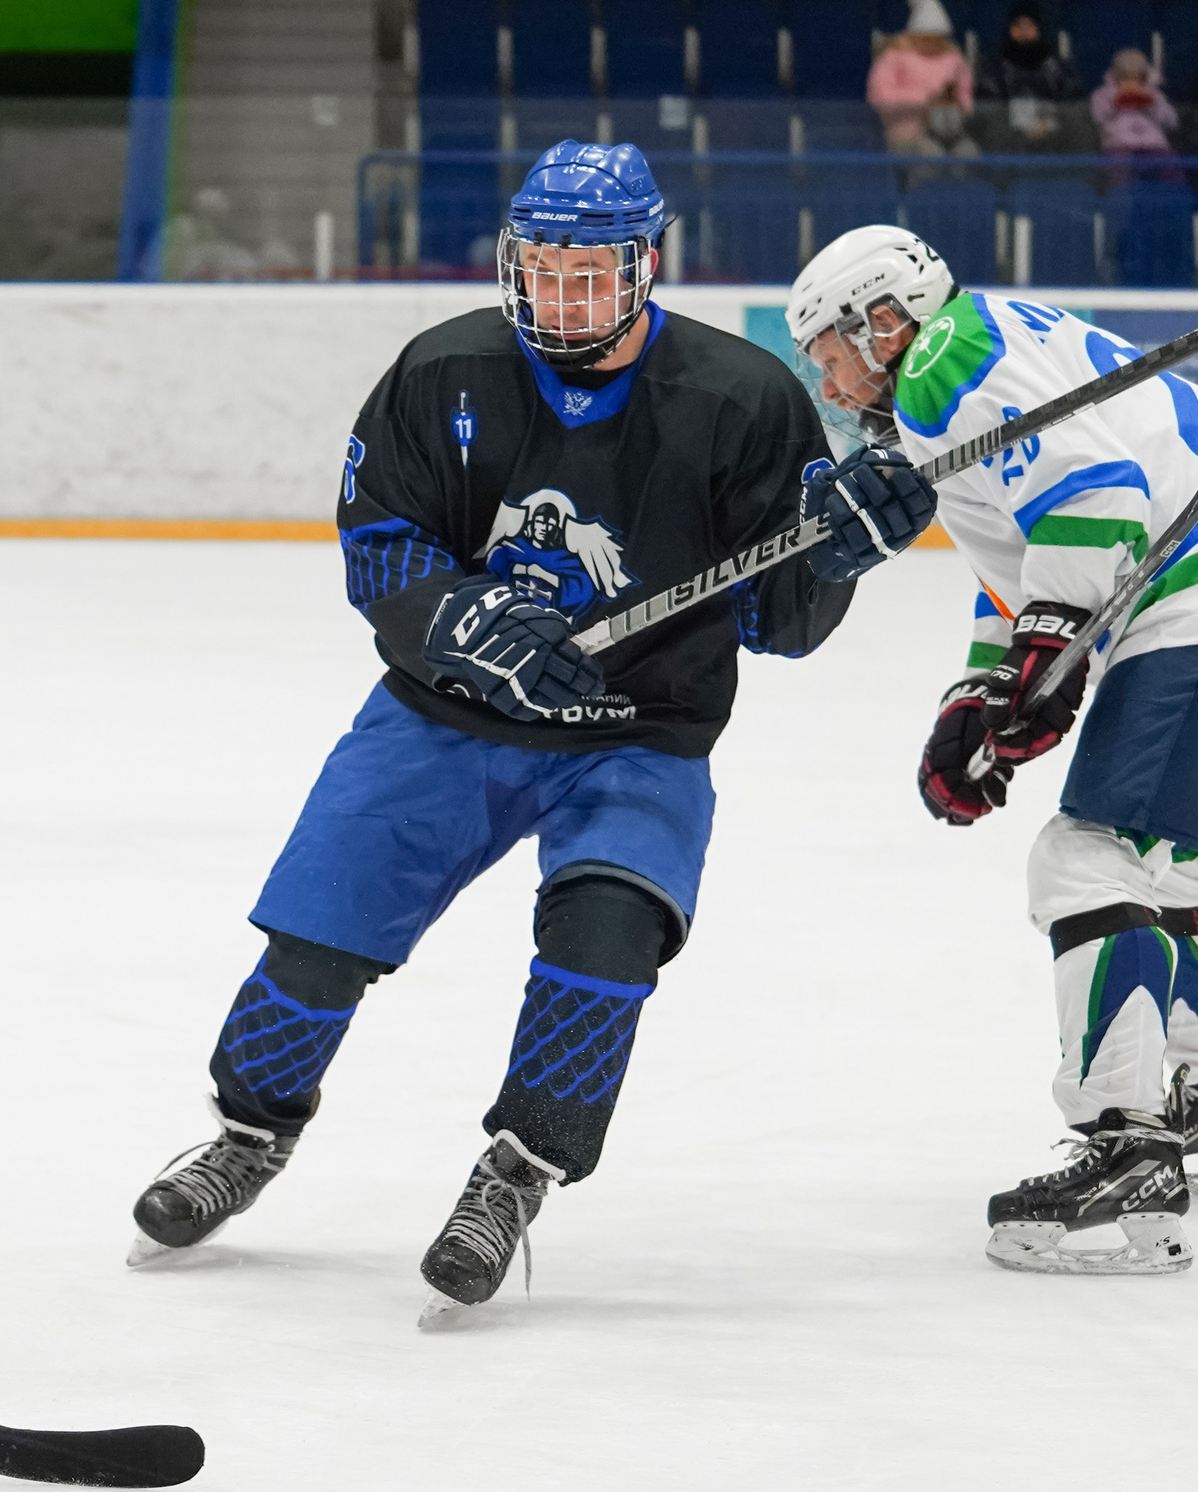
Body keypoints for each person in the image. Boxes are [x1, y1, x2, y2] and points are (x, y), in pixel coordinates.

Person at [123, 142, 938, 1325]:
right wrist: (466, 622)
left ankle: (515, 1174)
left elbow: (779, 621)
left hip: (639, 734)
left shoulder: (742, 399)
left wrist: (836, 557)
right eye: (542, 270)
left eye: (588, 273)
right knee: (315, 942)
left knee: (607, 942)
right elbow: (381, 544)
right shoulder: (443, 367)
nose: (560, 297)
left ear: (644, 266)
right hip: (444, 719)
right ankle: (247, 1138)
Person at [789, 225, 1198, 1275]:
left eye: (827, 351)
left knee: (1089, 859)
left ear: (880, 319)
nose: (825, 378)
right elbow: (1025, 542)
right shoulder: (982, 345)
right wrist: (980, 690)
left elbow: (1095, 498)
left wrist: (1051, 654)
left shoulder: (940, 369)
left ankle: (1126, 1148)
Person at [972, 3, 1093, 155]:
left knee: (1081, 128)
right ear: (1009, 29)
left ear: (1038, 29)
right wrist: (1022, 124)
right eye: (1017, 25)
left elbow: (1073, 102)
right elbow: (988, 105)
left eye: (1029, 25)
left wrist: (1048, 123)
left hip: (1054, 132)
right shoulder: (993, 67)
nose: (1023, 31)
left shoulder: (1057, 66)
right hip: (1008, 135)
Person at [868, 1, 977, 163]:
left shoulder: (955, 60)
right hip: (907, 130)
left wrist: (959, 106)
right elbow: (882, 97)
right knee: (929, 156)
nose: (931, 44)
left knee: (969, 154)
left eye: (937, 39)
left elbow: (965, 94)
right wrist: (926, 99)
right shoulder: (892, 59)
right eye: (926, 39)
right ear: (913, 36)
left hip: (951, 129)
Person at [1092, 46, 1178, 160]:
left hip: (1153, 144)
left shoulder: (1154, 94)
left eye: (1136, 77)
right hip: (1119, 144)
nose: (1131, 81)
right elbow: (1098, 118)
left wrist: (1151, 105)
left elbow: (1171, 122)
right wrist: (1115, 104)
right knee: (1120, 165)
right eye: (1125, 76)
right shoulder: (1102, 94)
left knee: (1170, 167)